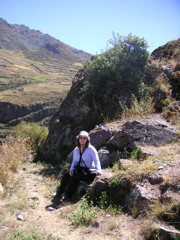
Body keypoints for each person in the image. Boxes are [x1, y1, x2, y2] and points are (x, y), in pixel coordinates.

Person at [52, 130, 102, 205]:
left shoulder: (91, 149)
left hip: (88, 171)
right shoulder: (76, 149)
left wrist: (99, 170)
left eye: (84, 138)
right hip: (79, 169)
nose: (82, 139)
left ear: (87, 139)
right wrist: (71, 169)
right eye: (80, 138)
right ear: (78, 139)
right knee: (66, 176)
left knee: (74, 178)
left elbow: (96, 159)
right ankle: (59, 194)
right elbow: (75, 161)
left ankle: (67, 197)